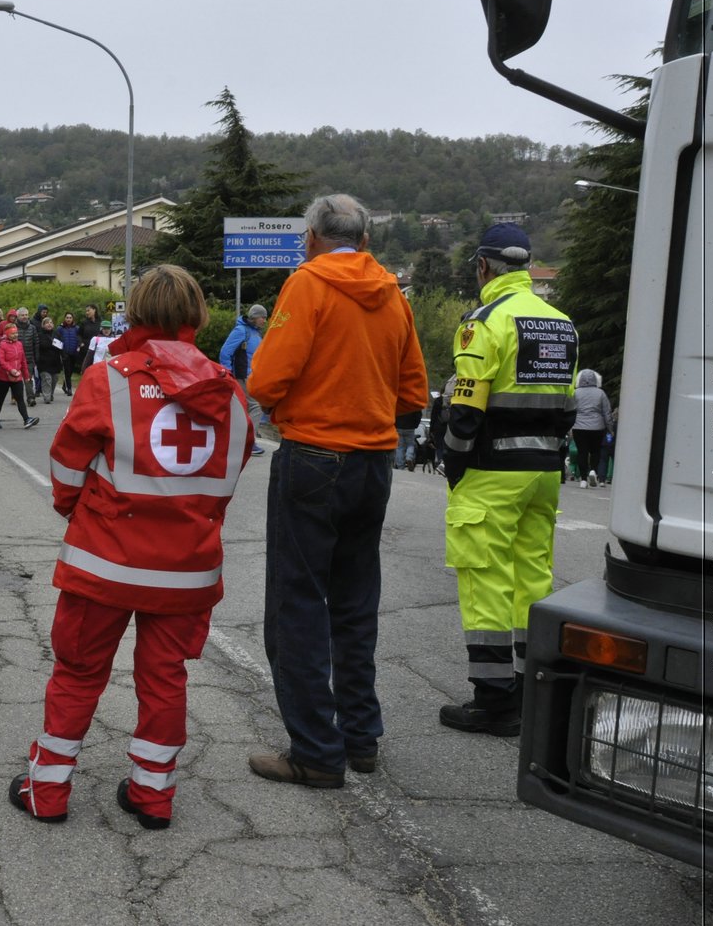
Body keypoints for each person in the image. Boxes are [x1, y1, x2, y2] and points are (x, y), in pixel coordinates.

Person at [10, 264, 254, 827]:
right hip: (187, 571)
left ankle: (46, 792)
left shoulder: (109, 379)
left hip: (104, 565)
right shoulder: (228, 390)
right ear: (197, 315)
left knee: (77, 673)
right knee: (166, 679)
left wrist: (83, 515)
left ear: (136, 311)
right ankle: (152, 797)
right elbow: (226, 481)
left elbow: (66, 468)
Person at [245, 193, 428, 787]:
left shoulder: (308, 284)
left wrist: (282, 406)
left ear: (310, 237)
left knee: (296, 605)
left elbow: (269, 376)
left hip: (314, 455)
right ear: (366, 238)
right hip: (373, 462)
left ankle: (316, 752)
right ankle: (359, 736)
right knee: (354, 601)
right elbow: (413, 391)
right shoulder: (393, 294)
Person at [441, 223, 578, 736]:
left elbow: (466, 409)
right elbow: (567, 409)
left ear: (484, 266)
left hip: (492, 471)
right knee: (531, 580)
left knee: (485, 579)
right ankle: (530, 691)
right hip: (544, 472)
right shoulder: (562, 323)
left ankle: (494, 702)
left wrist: (454, 463)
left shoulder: (485, 321)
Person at [220, 304, 268, 455]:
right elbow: (225, 352)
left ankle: (238, 441)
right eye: (262, 317)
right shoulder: (241, 331)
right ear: (254, 317)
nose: (264, 320)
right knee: (256, 407)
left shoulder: (256, 333)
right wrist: (228, 374)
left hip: (252, 377)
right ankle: (250, 443)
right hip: (242, 376)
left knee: (244, 408)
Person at [571, 368, 614, 488]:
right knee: (596, 451)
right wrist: (610, 428)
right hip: (597, 427)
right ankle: (593, 471)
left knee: (582, 452)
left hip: (579, 426)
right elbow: (607, 412)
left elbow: (570, 409)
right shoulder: (601, 393)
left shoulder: (576, 393)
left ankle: (583, 479)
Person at [0, 324, 38, 430]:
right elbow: (0, 361)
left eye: (16, 333)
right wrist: (10, 369)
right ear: (7, 334)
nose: (15, 335)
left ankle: (26, 419)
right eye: (13, 333)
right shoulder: (2, 345)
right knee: (1, 398)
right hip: (3, 378)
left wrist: (26, 376)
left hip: (17, 377)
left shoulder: (19, 344)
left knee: (20, 398)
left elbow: (23, 361)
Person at [35, 316, 64, 406]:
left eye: (51, 322)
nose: (49, 324)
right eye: (47, 323)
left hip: (55, 361)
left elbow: (61, 345)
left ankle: (50, 394)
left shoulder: (56, 334)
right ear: (43, 325)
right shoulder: (40, 334)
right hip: (44, 361)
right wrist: (52, 344)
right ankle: (46, 397)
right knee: (47, 379)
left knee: (54, 379)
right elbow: (42, 345)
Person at [57, 312, 81, 395]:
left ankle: (64, 385)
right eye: (67, 317)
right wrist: (60, 351)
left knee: (70, 371)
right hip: (64, 352)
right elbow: (57, 339)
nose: (68, 319)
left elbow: (79, 338)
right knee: (67, 370)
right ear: (65, 318)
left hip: (74, 352)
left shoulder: (77, 328)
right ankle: (69, 388)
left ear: (72, 319)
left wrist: (79, 346)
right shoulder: (60, 328)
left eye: (70, 317)